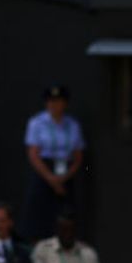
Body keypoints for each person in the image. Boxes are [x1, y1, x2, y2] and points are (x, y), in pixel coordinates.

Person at [23, 85, 85, 242]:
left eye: (58, 101)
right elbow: (33, 154)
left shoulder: (73, 124)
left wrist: (64, 177)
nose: (54, 105)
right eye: (50, 101)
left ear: (65, 103)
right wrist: (51, 178)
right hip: (44, 171)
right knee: (40, 216)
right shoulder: (37, 123)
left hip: (66, 172)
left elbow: (78, 157)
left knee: (66, 215)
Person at [30, 212, 102, 263]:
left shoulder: (88, 252)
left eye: (72, 230)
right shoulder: (43, 249)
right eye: (64, 230)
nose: (68, 234)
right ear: (57, 230)